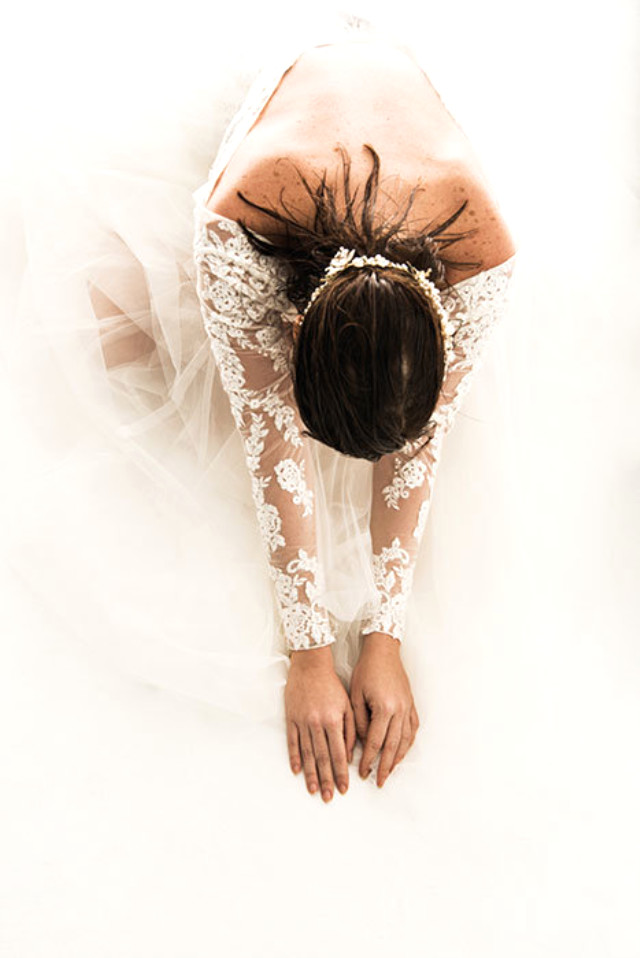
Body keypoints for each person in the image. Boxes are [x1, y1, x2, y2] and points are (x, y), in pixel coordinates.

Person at [192, 14, 517, 802]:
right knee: (132, 350)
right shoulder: (240, 218)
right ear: (292, 325)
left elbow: (421, 441)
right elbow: (270, 434)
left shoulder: (483, 252)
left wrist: (385, 637)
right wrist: (307, 654)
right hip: (295, 149)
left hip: (409, 146)